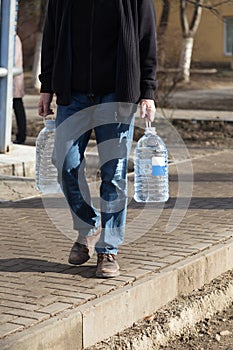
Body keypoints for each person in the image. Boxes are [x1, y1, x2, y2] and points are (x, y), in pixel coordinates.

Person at [38, 0, 157, 278]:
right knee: (65, 163)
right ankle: (88, 227)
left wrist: (148, 90)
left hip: (116, 93)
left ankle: (109, 249)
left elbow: (147, 38)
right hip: (73, 93)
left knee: (114, 173)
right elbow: (51, 36)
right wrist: (46, 87)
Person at [13, 34, 27, 145]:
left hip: (14, 81)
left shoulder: (14, 38)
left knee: (18, 108)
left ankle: (21, 135)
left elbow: (12, 59)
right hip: (11, 81)